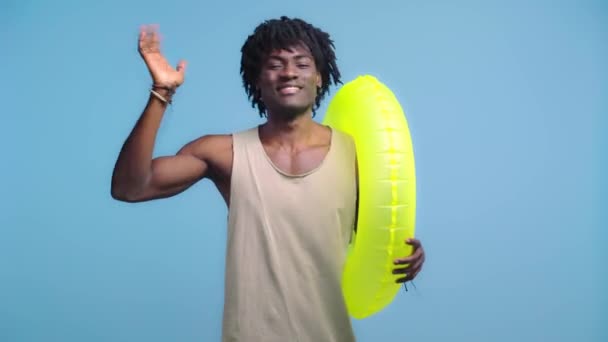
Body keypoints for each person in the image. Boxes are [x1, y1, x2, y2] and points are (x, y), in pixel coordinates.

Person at [111, 16, 425, 342]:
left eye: (301, 64)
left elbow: (377, 233)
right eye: (275, 64)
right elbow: (130, 187)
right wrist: (162, 91)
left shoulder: (356, 156)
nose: (289, 72)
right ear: (257, 80)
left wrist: (405, 255)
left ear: (319, 76)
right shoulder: (223, 153)